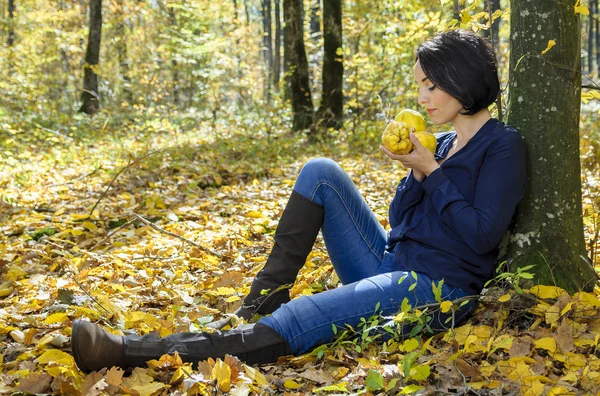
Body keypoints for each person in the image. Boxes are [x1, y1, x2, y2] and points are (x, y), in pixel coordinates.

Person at [71, 29, 527, 373]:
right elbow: (400, 220)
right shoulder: (442, 143)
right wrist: (416, 167)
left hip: (434, 289)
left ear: (461, 79)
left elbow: (482, 235)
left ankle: (130, 350)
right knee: (320, 172)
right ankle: (259, 304)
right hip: (393, 261)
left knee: (305, 314)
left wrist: (430, 171)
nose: (422, 97)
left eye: (431, 85)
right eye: (420, 86)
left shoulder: (502, 145)